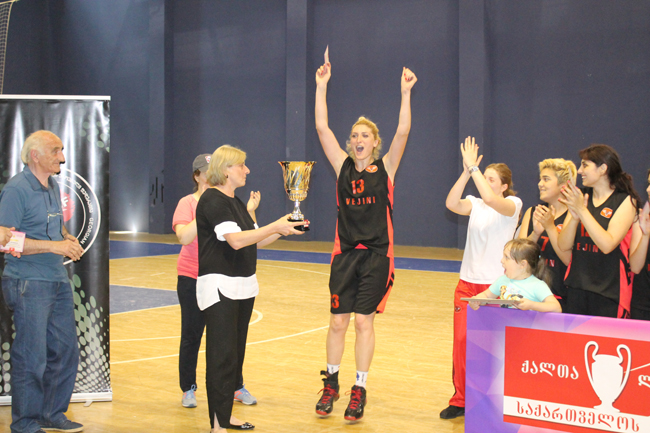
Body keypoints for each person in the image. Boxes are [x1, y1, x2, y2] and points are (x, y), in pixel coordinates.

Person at [313, 57, 417, 422]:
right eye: (355, 135)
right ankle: (331, 383)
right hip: (344, 255)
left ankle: (359, 389)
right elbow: (322, 127)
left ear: (375, 143)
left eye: (365, 136)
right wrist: (321, 86)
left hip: (376, 256)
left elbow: (403, 131)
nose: (359, 140)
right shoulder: (341, 165)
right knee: (337, 322)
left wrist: (405, 93)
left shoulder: (386, 167)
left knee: (362, 322)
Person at [196, 144, 303, 432]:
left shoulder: (235, 202)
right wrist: (274, 225)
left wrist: (282, 229)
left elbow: (254, 239)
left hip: (243, 287)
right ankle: (217, 424)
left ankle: (225, 415)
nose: (247, 170)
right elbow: (235, 240)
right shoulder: (212, 200)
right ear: (226, 170)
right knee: (221, 357)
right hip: (220, 288)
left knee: (234, 357)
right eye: (241, 165)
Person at [0, 131, 84, 433]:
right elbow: (4, 240)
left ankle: (51, 413)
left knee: (65, 351)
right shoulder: (16, 189)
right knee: (31, 356)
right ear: (35, 155)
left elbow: (55, 225)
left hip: (56, 279)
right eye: (55, 151)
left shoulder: (52, 185)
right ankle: (24, 423)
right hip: (27, 281)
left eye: (61, 150)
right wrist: (55, 247)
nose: (62, 157)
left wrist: (66, 237)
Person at [442, 136, 522, 419]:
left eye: (491, 179)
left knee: (492, 346)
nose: (485, 182)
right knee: (462, 342)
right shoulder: (475, 204)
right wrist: (467, 171)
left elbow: (490, 198)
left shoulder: (512, 204)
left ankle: (492, 401)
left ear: (503, 185)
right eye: (483, 176)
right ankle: (460, 399)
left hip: (495, 287)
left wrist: (475, 169)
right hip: (467, 283)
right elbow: (451, 203)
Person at [172, 154, 257, 408]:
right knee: (192, 334)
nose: (211, 174)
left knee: (229, 338)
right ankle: (188, 387)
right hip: (192, 276)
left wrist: (248, 212)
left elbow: (240, 236)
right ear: (197, 176)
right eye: (206, 171)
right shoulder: (188, 203)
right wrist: (206, 209)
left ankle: (235, 385)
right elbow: (184, 237)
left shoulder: (226, 201)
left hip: (221, 276)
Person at [557, 144, 640, 318]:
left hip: (609, 292)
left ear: (603, 169)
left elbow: (607, 244)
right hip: (577, 287)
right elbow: (563, 245)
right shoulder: (580, 196)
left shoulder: (625, 200)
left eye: (585, 165)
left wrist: (582, 211)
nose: (580, 171)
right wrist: (574, 217)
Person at [518, 158, 577, 311]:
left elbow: (568, 260)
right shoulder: (533, 212)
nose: (540, 184)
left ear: (563, 185)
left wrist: (550, 227)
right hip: (531, 294)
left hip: (561, 295)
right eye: (540, 179)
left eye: (546, 179)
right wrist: (535, 233)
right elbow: (518, 255)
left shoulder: (574, 215)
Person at [469, 238, 562, 313]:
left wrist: (532, 305)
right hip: (505, 327)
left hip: (526, 329)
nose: (502, 260)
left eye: (507, 257)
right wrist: (477, 300)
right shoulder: (502, 280)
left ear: (522, 264)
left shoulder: (537, 285)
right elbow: (486, 296)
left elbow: (556, 308)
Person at [630, 170, 650, 320]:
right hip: (642, 305)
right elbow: (635, 267)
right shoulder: (642, 218)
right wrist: (645, 235)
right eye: (649, 184)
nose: (648, 189)